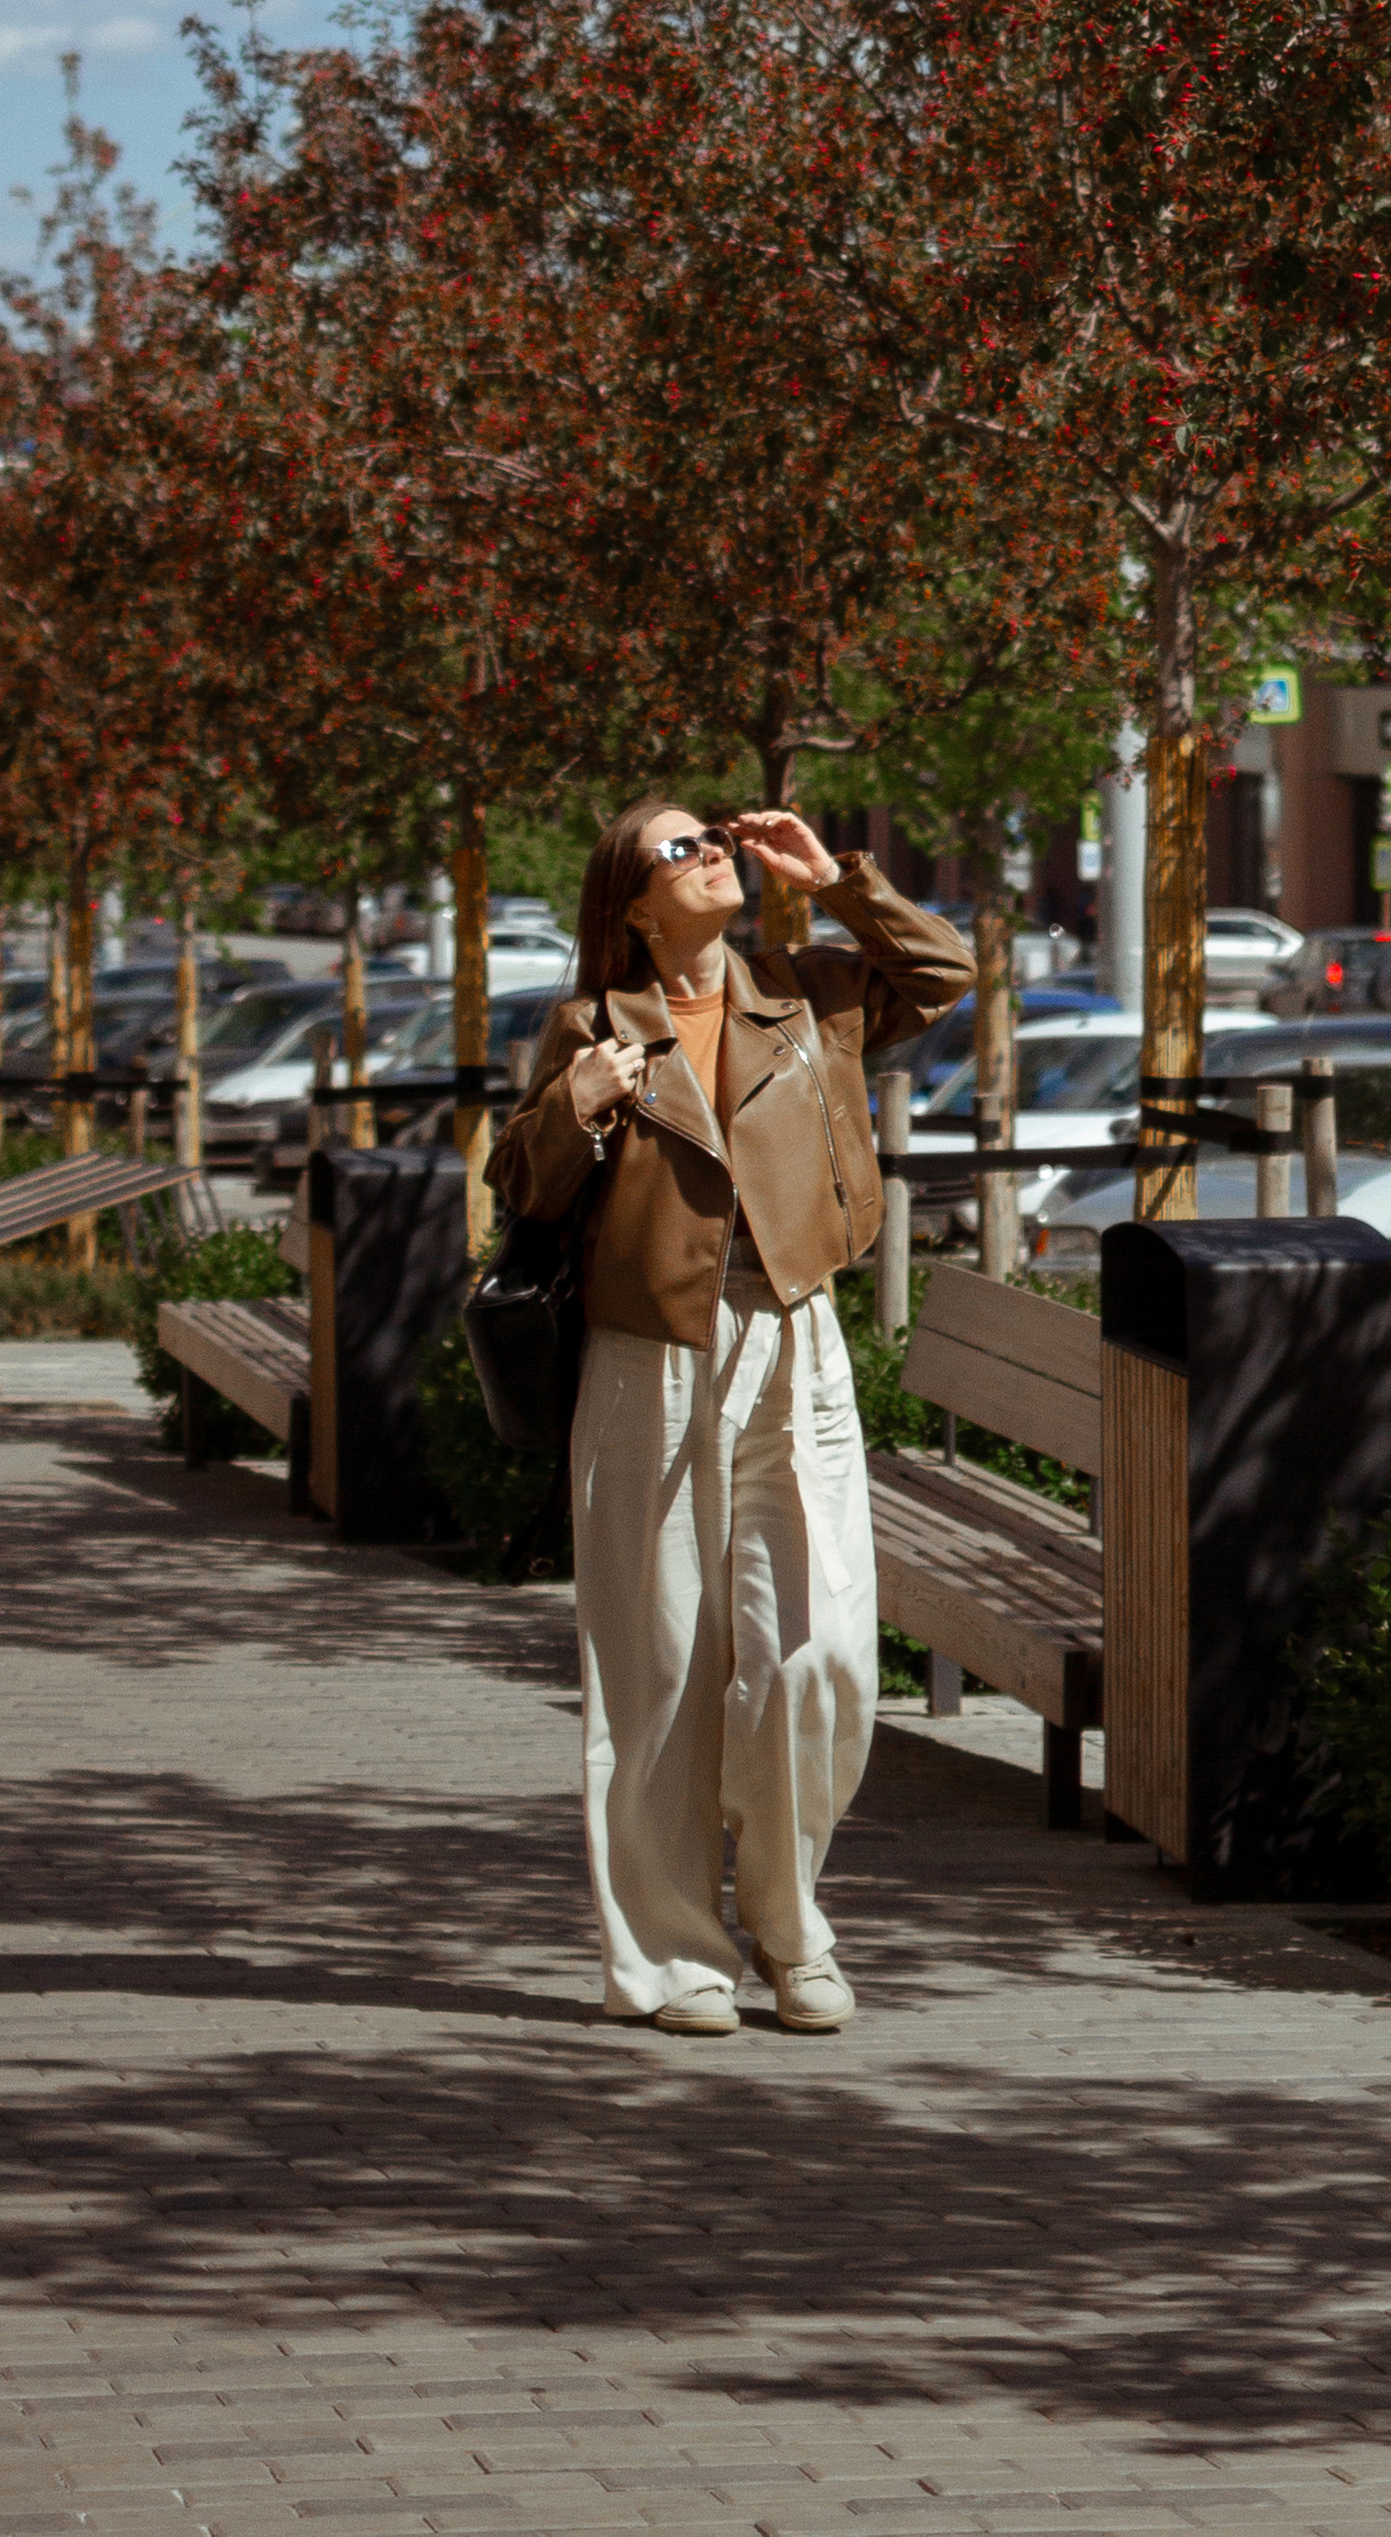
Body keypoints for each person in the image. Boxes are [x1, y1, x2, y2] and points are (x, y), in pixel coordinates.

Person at [492, 803, 972, 2038]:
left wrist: (837, 878)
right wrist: (576, 1105)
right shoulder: (590, 1028)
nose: (709, 852)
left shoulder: (807, 991)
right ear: (634, 905)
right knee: (656, 1665)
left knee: (818, 1655)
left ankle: (789, 1918)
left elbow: (945, 972)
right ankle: (670, 1955)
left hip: (793, 1339)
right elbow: (520, 1186)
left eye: (713, 836)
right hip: (644, 1356)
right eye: (676, 849)